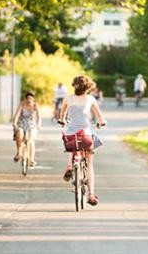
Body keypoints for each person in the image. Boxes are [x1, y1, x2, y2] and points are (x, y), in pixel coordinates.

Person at [59, 75, 107, 206]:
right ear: (88, 87)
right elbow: (100, 117)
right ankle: (91, 194)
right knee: (90, 163)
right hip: (87, 134)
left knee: (72, 142)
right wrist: (102, 123)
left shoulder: (68, 98)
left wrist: (62, 121)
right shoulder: (91, 99)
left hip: (71, 135)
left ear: (74, 85)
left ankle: (69, 166)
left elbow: (62, 115)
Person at [12, 92, 42, 167]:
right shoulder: (22, 104)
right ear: (25, 99)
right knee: (19, 133)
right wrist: (14, 123)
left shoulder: (35, 105)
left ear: (33, 99)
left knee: (31, 140)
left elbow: (39, 116)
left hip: (31, 125)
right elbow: (17, 115)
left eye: (31, 99)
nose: (29, 101)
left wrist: (38, 124)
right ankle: (19, 153)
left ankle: (31, 159)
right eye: (28, 99)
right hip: (21, 123)